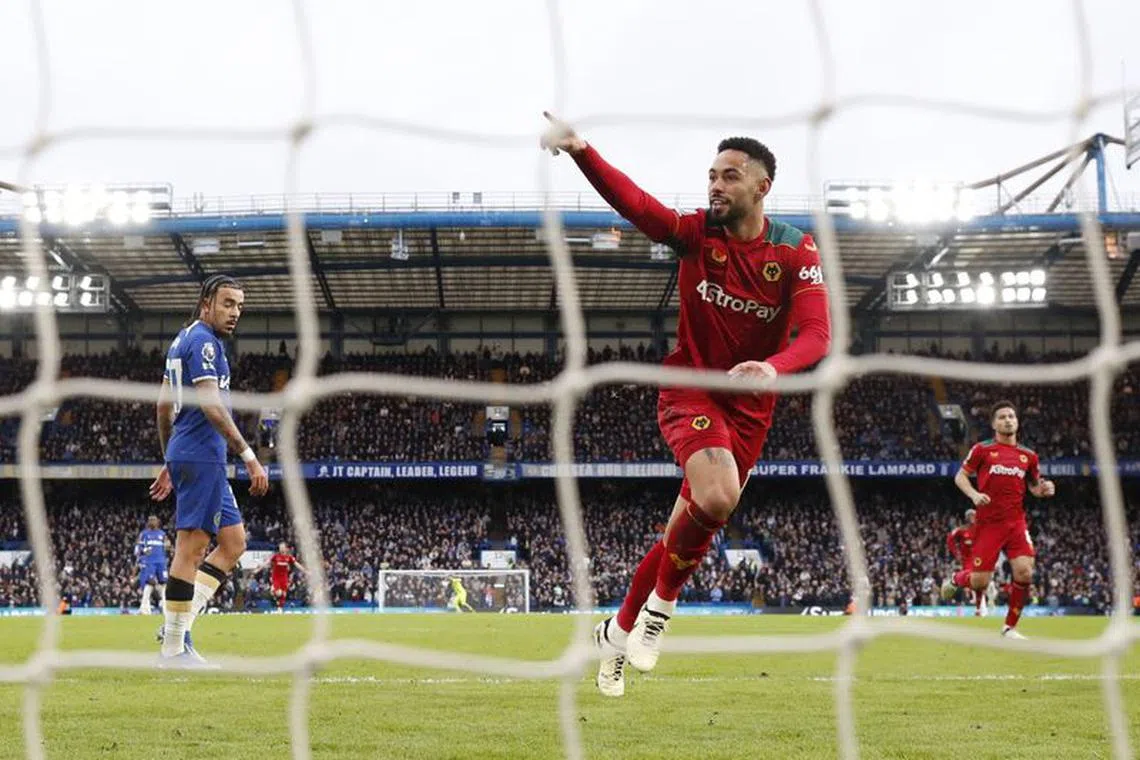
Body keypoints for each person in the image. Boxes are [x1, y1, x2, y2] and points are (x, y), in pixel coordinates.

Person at [542, 112, 832, 696]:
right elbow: (639, 206)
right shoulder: (697, 234)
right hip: (690, 386)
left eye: (729, 176)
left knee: (687, 524)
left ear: (762, 187)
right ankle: (660, 612)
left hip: (751, 404)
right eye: (711, 176)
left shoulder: (795, 250)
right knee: (719, 496)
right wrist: (582, 151)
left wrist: (772, 368)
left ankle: (615, 633)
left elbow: (818, 336)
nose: (715, 186)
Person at [149, 274, 269, 665]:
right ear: (206, 303)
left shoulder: (182, 340)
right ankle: (172, 648)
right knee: (192, 547)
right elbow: (211, 405)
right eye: (227, 303)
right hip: (202, 454)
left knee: (233, 543)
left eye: (239, 306)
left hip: (194, 453)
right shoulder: (204, 342)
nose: (235, 313)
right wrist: (248, 454)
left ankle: (177, 625)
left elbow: (163, 405)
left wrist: (169, 459)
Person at [940, 401, 1055, 639]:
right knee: (980, 583)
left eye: (1011, 416)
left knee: (1024, 573)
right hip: (988, 524)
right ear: (994, 424)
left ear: (1017, 422)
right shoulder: (982, 450)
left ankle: (1009, 627)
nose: (1008, 420)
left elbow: (1034, 486)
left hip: (1016, 523)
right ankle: (957, 579)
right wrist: (974, 494)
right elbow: (960, 476)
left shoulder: (1028, 456)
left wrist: (1045, 489)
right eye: (1002, 417)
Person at [945, 508, 986, 616]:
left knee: (979, 583)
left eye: (974, 516)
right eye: (971, 516)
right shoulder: (961, 530)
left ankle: (979, 608)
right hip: (967, 560)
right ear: (967, 518)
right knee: (973, 580)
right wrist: (956, 553)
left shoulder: (979, 529)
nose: (973, 518)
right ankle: (977, 605)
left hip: (978, 558)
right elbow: (949, 539)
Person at [134, 515, 169, 615]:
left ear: (157, 522)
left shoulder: (162, 534)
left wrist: (168, 545)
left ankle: (165, 608)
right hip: (150, 562)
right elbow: (137, 549)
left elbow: (167, 545)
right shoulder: (144, 534)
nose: (152, 522)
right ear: (148, 522)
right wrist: (144, 550)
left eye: (154, 520)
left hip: (161, 562)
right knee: (149, 583)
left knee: (164, 583)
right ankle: (144, 608)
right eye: (150, 520)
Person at [264, 543, 306, 613]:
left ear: (286, 548)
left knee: (284, 594)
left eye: (283, 547)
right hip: (276, 577)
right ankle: (273, 591)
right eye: (280, 547)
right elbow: (267, 562)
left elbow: (297, 564)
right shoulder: (276, 556)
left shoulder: (289, 557)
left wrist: (305, 571)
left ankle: (280, 608)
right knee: (279, 593)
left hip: (284, 578)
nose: (281, 549)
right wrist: (259, 568)